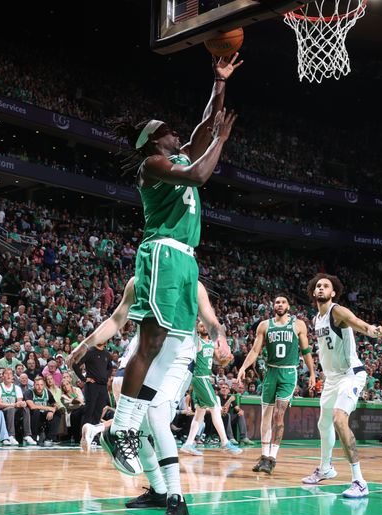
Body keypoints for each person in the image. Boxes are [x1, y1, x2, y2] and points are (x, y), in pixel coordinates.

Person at [104, 54, 242, 475]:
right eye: (167, 131)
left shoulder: (177, 153)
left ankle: (138, 431)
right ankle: (122, 427)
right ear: (152, 140)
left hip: (185, 258)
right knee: (151, 339)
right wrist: (220, 139)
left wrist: (218, 83)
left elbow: (202, 128)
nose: (176, 132)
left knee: (165, 341)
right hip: (162, 251)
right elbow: (200, 174)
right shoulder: (152, 165)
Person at [71, 276, 229, 515]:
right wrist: (85, 344)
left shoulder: (191, 282)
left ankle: (176, 498)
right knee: (140, 423)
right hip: (145, 351)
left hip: (178, 356)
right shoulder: (138, 281)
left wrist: (221, 339)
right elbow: (116, 319)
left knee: (155, 415)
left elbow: (211, 320)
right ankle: (158, 489)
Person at [301, 275, 382, 499]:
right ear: (313, 292)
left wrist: (373, 330)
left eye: (325, 286)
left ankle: (359, 481)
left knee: (339, 420)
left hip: (350, 375)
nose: (321, 288)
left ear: (333, 293)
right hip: (331, 380)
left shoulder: (336, 311)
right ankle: (325, 469)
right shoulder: (316, 319)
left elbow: (357, 322)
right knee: (323, 423)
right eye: (318, 286)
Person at [237, 295, 315, 473]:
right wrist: (243, 367)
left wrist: (312, 373)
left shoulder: (298, 324)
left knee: (278, 416)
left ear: (288, 306)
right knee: (265, 415)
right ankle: (264, 456)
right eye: (277, 302)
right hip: (271, 373)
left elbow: (306, 350)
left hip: (288, 373)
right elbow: (255, 350)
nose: (280, 305)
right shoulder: (264, 325)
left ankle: (272, 457)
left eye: (283, 302)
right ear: (273, 306)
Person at [181, 319, 242, 456]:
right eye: (201, 325)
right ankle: (225, 442)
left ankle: (188, 444)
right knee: (215, 407)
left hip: (205, 379)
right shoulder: (196, 342)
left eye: (205, 325)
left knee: (199, 414)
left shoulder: (212, 343)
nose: (203, 327)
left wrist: (228, 359)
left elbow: (221, 362)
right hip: (200, 378)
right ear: (197, 328)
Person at [73, 340, 112, 427]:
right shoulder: (90, 351)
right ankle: (84, 436)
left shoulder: (106, 353)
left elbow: (110, 367)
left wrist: (107, 376)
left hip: (103, 386)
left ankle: (94, 435)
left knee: (98, 412)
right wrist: (84, 379)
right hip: (92, 386)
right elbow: (75, 365)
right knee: (89, 411)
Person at [0, 370, 30, 445]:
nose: (8, 375)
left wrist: (22, 404)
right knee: (11, 409)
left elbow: (19, 403)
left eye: (10, 374)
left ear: (13, 377)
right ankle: (11, 436)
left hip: (14, 410)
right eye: (6, 374)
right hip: (2, 411)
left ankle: (27, 435)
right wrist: (13, 405)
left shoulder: (17, 388)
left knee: (25, 409)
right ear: (2, 376)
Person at [26, 376, 60, 446]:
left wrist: (52, 411)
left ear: (44, 385)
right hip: (32, 416)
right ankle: (34, 436)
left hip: (44, 414)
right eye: (37, 385)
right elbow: (32, 407)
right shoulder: (29, 392)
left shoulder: (47, 392)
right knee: (36, 411)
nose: (39, 387)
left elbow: (55, 404)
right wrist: (48, 408)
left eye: (41, 385)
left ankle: (49, 438)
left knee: (57, 413)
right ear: (34, 385)